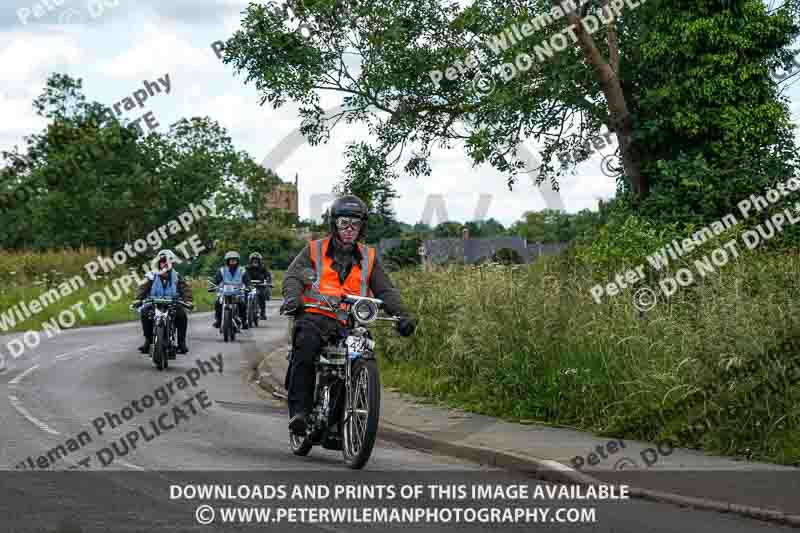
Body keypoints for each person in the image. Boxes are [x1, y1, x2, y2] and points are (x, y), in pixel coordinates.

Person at [280, 195, 416, 435]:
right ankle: (300, 412)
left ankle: (340, 420)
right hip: (315, 316)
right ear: (335, 224)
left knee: (361, 354)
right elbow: (293, 277)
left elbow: (385, 289)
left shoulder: (369, 256)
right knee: (306, 346)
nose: (350, 229)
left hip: (351, 322)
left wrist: (402, 315)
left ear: (362, 227)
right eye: (344, 223)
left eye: (356, 224)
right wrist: (293, 298)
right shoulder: (315, 249)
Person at [135, 249, 193, 354]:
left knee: (182, 315)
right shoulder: (151, 275)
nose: (165, 264)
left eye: (168, 262)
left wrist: (188, 301)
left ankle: (181, 343)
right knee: (144, 312)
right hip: (154, 303)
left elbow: (185, 289)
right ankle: (148, 341)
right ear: (159, 263)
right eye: (162, 261)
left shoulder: (177, 276)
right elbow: (143, 288)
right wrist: (138, 299)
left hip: (173, 303)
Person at [211, 251, 250, 329]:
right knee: (217, 303)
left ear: (237, 261)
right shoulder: (222, 270)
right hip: (224, 292)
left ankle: (244, 321)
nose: (232, 262)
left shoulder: (242, 270)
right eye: (231, 260)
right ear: (227, 261)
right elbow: (216, 280)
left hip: (237, 293)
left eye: (234, 260)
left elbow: (247, 281)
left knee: (242, 304)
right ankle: (218, 320)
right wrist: (212, 286)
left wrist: (248, 287)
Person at [245, 252, 272, 320]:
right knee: (243, 296)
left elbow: (268, 275)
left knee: (262, 296)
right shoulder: (246, 268)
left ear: (259, 261)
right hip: (249, 285)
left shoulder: (263, 268)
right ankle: (243, 312)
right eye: (253, 260)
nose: (255, 261)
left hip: (260, 285)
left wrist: (268, 282)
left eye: (257, 260)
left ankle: (262, 313)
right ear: (250, 260)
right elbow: (242, 276)